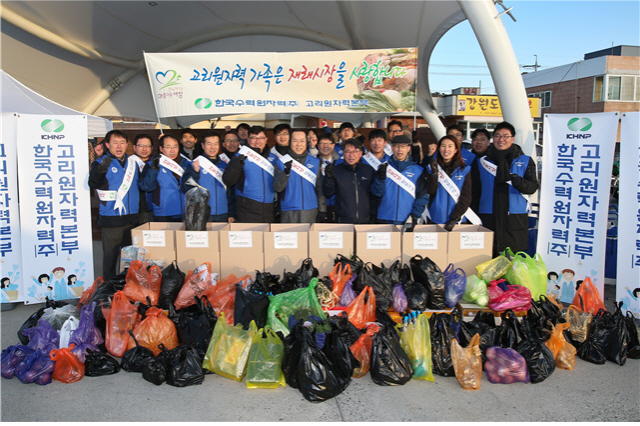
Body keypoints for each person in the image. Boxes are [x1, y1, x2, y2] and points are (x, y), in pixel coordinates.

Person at [478, 122, 539, 256]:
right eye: (498, 136)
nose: (501, 139)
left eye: (506, 136)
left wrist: (519, 182)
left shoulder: (525, 160)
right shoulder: (482, 161)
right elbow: (475, 190)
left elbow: (532, 187)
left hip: (514, 217)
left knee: (514, 258)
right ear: (493, 138)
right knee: (487, 257)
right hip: (489, 214)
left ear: (512, 139)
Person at [89, 130, 143, 280]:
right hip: (112, 218)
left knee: (131, 259)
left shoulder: (134, 163)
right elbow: (93, 183)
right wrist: (100, 170)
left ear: (127, 145)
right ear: (107, 144)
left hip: (132, 219)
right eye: (115, 142)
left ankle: (128, 287)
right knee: (110, 259)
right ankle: (108, 289)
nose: (119, 146)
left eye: (122, 142)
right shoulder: (100, 163)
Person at [372, 134, 428, 230]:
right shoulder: (384, 167)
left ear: (408, 148)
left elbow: (422, 197)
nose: (400, 149)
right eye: (397, 146)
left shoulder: (418, 171)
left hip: (407, 219)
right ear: (392, 148)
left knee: (406, 245)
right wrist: (380, 178)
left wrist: (414, 215)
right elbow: (376, 193)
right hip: (384, 217)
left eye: (403, 146)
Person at [223, 125, 277, 223]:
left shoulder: (274, 158)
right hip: (246, 206)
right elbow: (228, 181)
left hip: (269, 207)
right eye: (254, 138)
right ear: (248, 139)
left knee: (266, 237)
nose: (257, 141)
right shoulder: (240, 156)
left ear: (266, 139)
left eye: (261, 138)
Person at [181, 130, 235, 223]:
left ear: (220, 145)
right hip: (201, 214)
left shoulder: (225, 165)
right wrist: (195, 172)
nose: (212, 147)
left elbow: (230, 192)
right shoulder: (194, 164)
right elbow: (186, 188)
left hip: (223, 214)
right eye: (209, 144)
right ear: (203, 145)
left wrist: (231, 213)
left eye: (216, 144)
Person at [273, 129, 323, 223]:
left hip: (311, 209)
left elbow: (319, 188)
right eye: (295, 140)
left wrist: (322, 209)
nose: (299, 144)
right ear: (290, 142)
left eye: (302, 141)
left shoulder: (315, 162)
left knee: (309, 238)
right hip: (289, 210)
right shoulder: (281, 162)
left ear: (306, 142)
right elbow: (277, 188)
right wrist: (286, 173)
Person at [424, 135, 472, 231]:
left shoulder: (465, 170)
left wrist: (455, 217)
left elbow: (466, 196)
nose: (446, 149)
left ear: (456, 150)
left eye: (450, 146)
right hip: (435, 218)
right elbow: (431, 191)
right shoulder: (431, 168)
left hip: (458, 220)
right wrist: (434, 175)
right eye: (443, 146)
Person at [323, 138, 375, 224]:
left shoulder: (368, 170)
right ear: (343, 153)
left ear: (361, 153)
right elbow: (328, 193)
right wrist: (328, 178)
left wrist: (372, 216)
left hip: (365, 221)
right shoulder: (336, 170)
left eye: (355, 152)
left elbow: (374, 195)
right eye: (348, 151)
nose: (351, 155)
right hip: (342, 221)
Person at [140, 134, 191, 222]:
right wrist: (154, 170)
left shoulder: (187, 164)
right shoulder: (152, 165)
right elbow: (146, 187)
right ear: (161, 149)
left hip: (186, 212)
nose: (172, 150)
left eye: (175, 146)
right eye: (168, 147)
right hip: (163, 213)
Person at [316, 133, 340, 222]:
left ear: (333, 145)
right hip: (319, 206)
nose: (325, 146)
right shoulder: (312, 163)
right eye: (322, 143)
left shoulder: (340, 163)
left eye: (329, 143)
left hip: (338, 205)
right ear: (318, 146)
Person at [132, 134, 154, 224]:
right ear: (134, 147)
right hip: (135, 209)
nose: (144, 149)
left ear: (152, 148)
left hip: (154, 208)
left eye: (147, 146)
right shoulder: (128, 163)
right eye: (140, 146)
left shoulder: (157, 163)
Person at [469, 128, 491, 213]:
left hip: (488, 205)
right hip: (470, 203)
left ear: (488, 142)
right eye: (475, 139)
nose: (478, 142)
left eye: (482, 139)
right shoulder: (467, 159)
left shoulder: (494, 160)